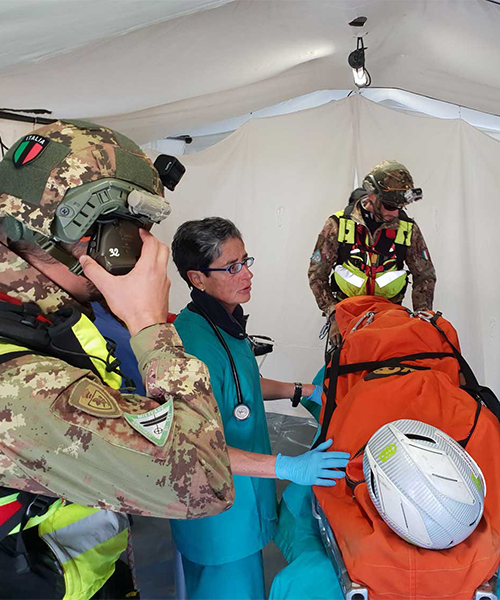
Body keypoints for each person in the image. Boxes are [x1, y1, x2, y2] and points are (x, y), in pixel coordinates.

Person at [0, 121, 235, 599]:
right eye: (137, 234)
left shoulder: (12, 311)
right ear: (106, 242)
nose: (147, 250)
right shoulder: (12, 387)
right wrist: (150, 325)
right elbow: (204, 480)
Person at [170, 217, 350, 600]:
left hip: (243, 499)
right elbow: (197, 449)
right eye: (232, 267)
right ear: (197, 278)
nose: (247, 273)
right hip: (220, 518)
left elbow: (242, 386)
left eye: (246, 261)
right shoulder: (193, 346)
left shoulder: (223, 321)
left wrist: (301, 390)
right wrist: (290, 467)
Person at [308, 160, 436, 344]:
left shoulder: (408, 229)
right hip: (347, 317)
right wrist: (333, 314)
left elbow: (425, 276)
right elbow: (317, 274)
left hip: (389, 319)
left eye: (400, 207)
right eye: (390, 206)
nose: (396, 213)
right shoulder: (338, 224)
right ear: (372, 196)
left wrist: (421, 318)